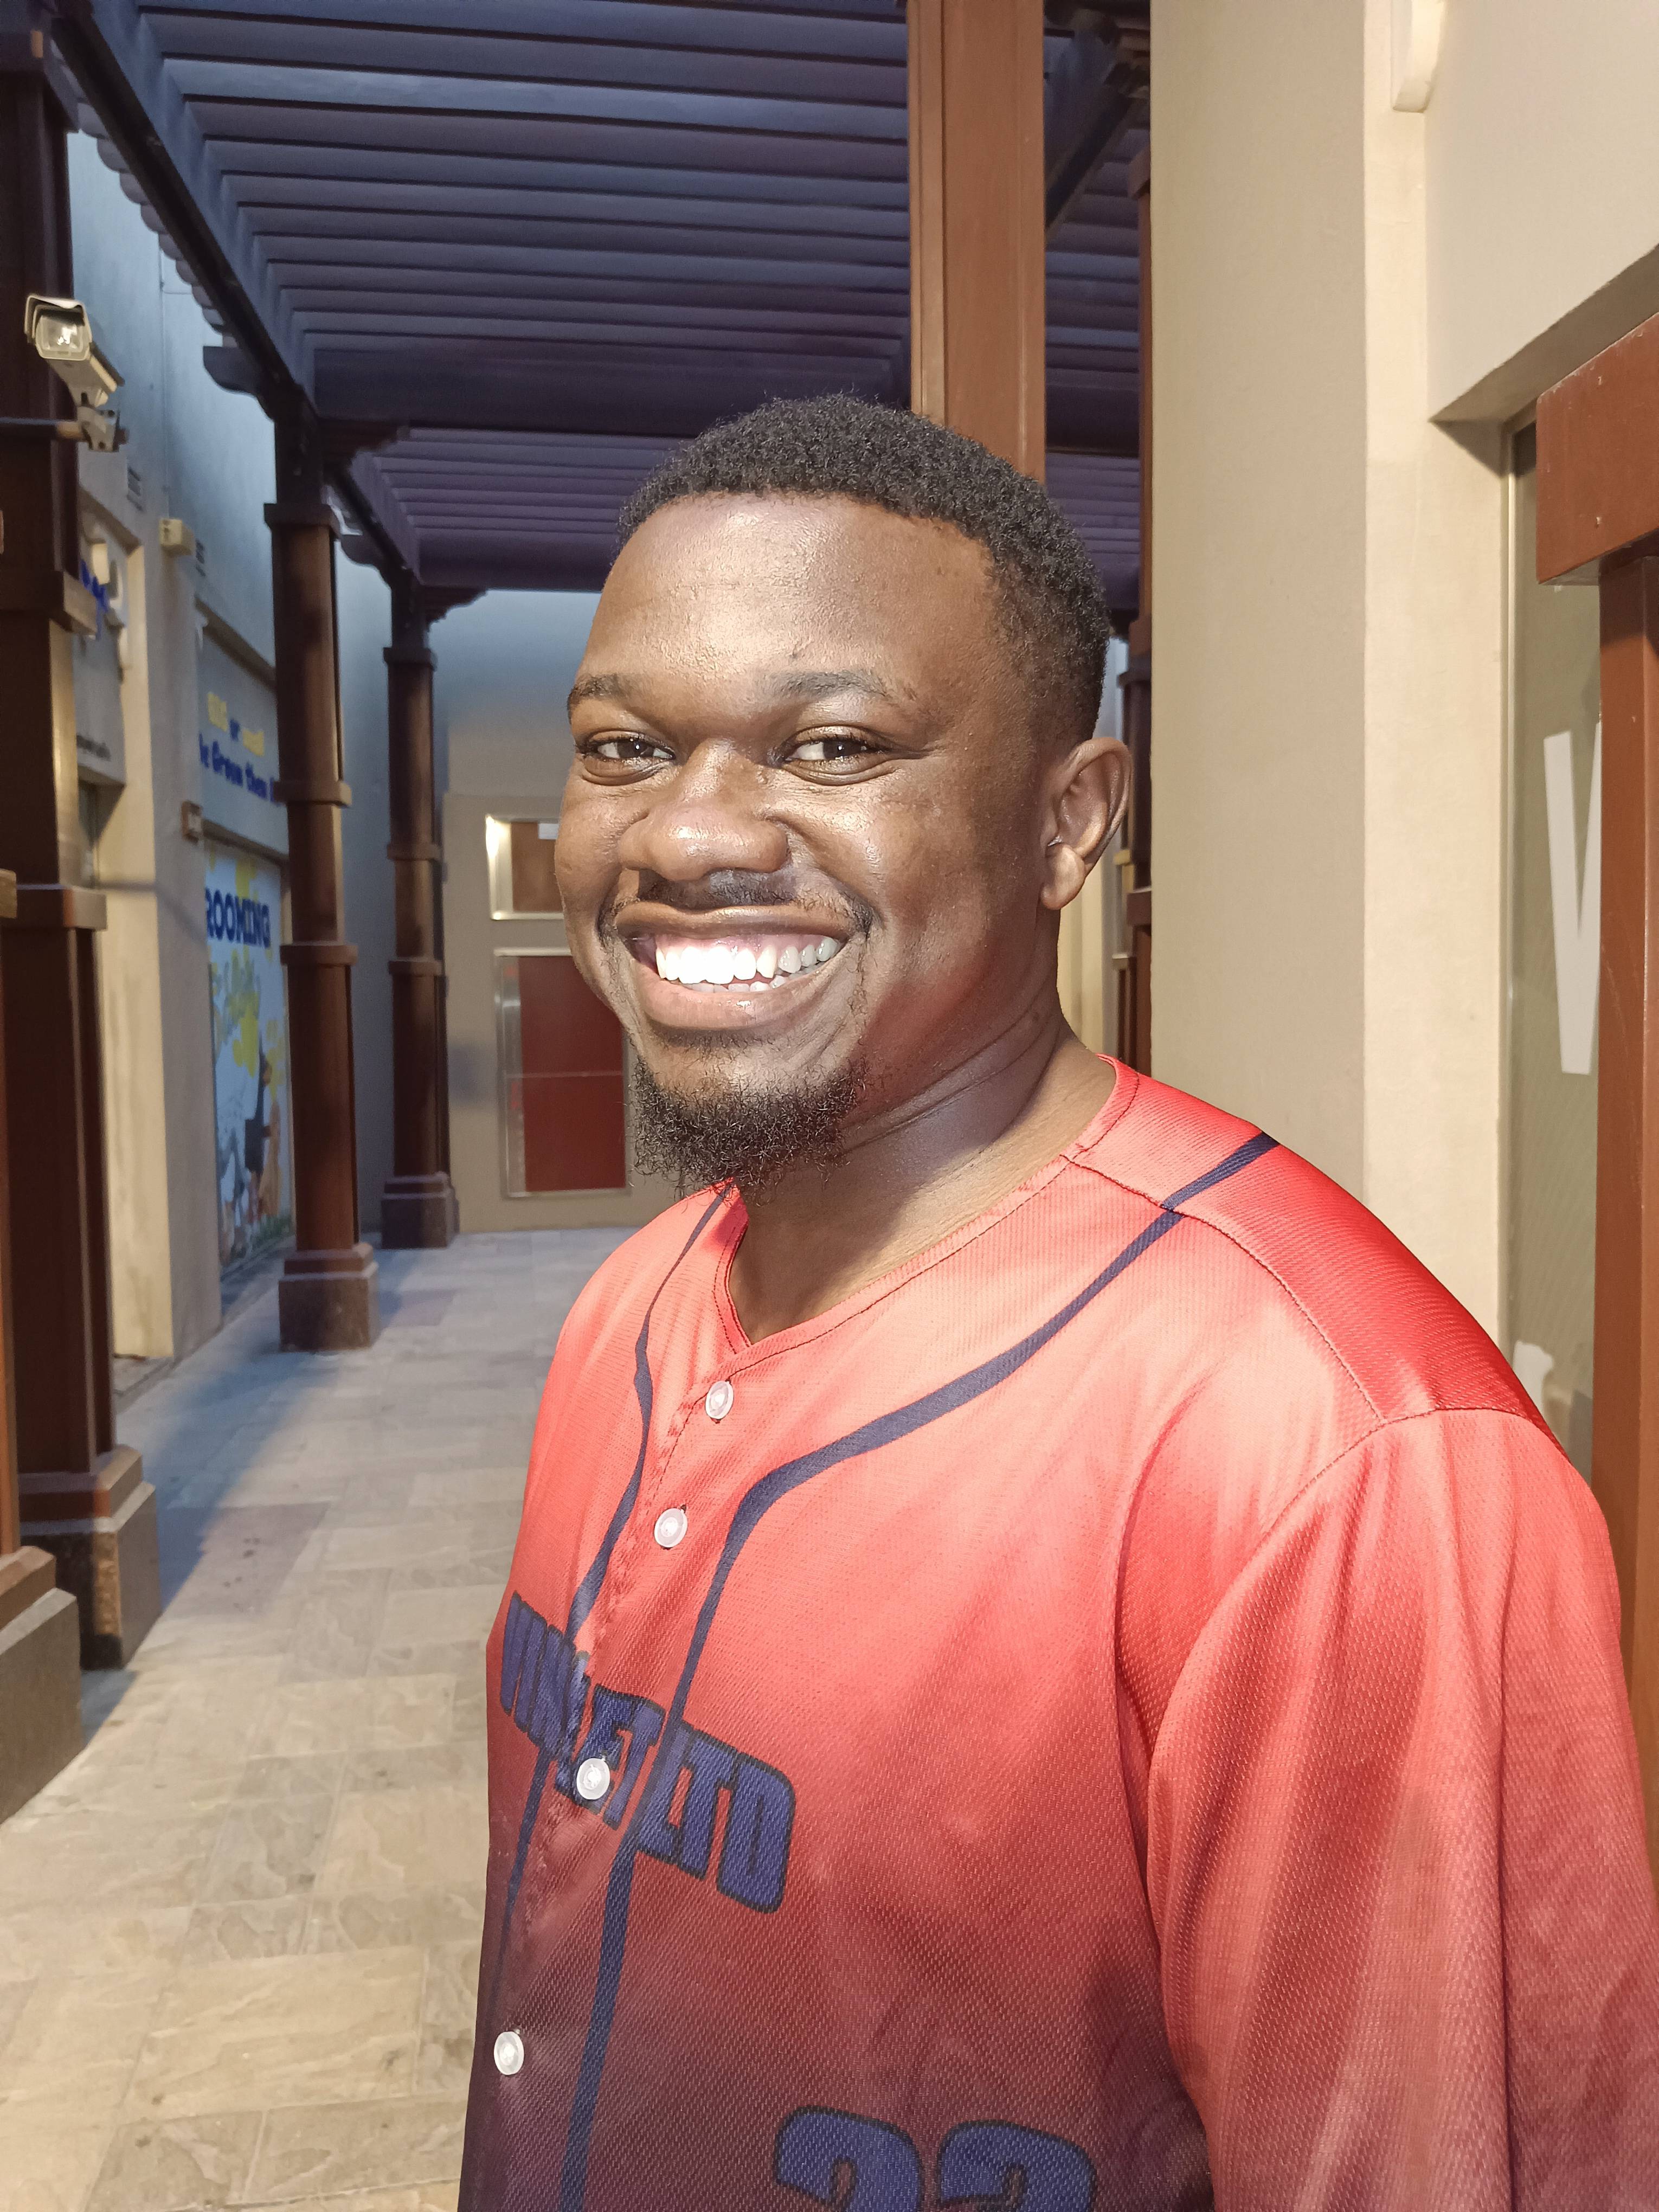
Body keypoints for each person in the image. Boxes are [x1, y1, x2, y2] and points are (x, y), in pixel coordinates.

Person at [460, 396, 1659, 2212]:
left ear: (1068, 820)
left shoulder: (1338, 1459)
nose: (688, 836)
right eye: (624, 748)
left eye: (832, 745)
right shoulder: (629, 1305)